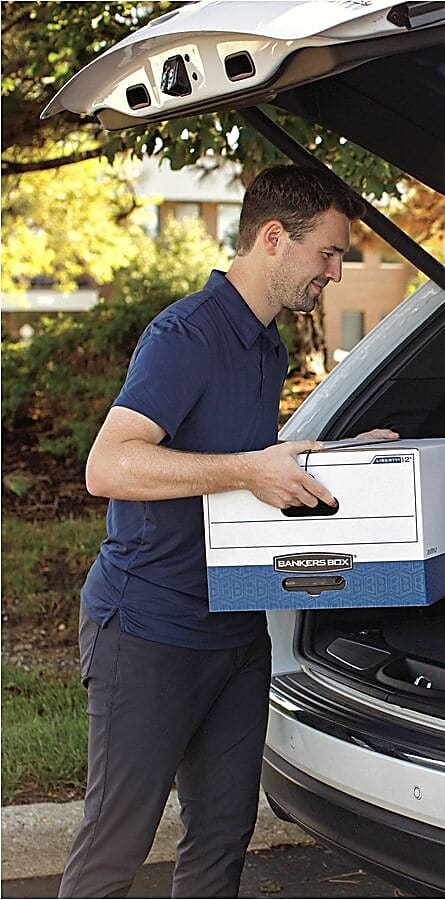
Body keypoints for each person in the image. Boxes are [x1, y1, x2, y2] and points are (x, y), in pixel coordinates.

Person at [58, 165, 396, 898]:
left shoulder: (266, 345)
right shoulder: (186, 334)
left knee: (220, 842)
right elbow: (109, 465)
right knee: (115, 847)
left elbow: (239, 457)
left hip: (235, 631)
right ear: (273, 239)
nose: (336, 274)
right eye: (328, 254)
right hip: (149, 629)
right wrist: (247, 469)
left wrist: (343, 459)